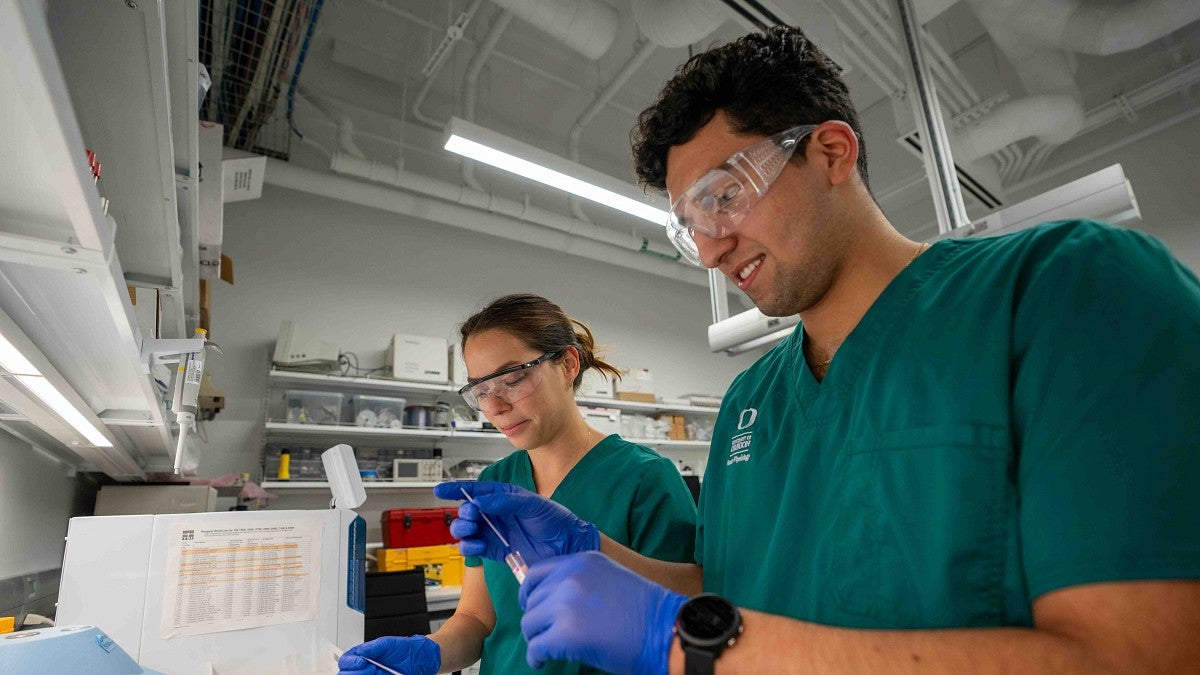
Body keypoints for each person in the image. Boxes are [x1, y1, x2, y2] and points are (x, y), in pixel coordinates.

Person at [441, 26, 1200, 675]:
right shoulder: (751, 402)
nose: (709, 249)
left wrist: (687, 645)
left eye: (723, 197)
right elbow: (730, 586)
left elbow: (1145, 654)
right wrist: (595, 552)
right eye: (689, 223)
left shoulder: (1066, 292)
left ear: (831, 152)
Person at [337, 293, 698, 675]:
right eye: (481, 390)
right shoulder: (496, 482)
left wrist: (595, 550)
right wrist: (429, 652)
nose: (495, 407)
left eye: (512, 379)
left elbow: (693, 608)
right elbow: (476, 619)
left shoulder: (644, 477)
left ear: (568, 365)